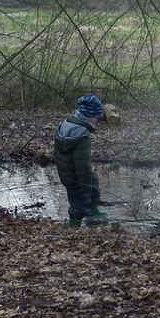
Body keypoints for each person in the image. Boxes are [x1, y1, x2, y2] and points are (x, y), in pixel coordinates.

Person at [54, 94, 108, 227]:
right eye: (96, 117)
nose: (97, 120)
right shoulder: (82, 134)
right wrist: (86, 190)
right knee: (82, 200)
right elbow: (82, 167)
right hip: (76, 175)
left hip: (65, 173)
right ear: (90, 115)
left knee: (76, 198)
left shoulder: (65, 124)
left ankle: (89, 213)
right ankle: (88, 220)